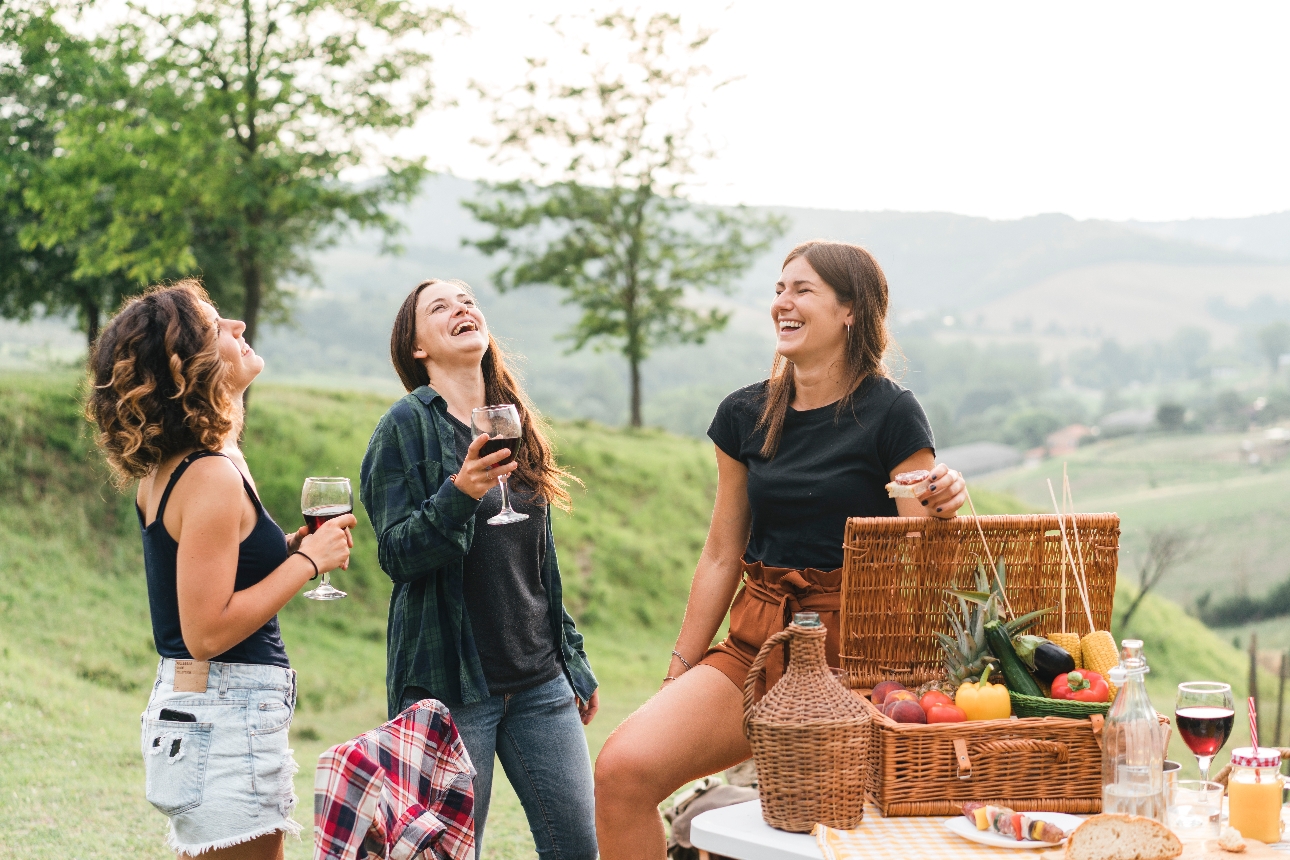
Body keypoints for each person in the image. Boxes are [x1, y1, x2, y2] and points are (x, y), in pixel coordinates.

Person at [593, 240, 968, 859]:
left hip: (862, 662)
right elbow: (721, 553)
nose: (783, 304)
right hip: (759, 646)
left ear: (850, 311)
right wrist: (679, 671)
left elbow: (925, 549)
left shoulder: (892, 413)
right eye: (778, 289)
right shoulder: (743, 414)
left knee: (845, 828)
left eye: (803, 290)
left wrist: (946, 497)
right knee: (622, 770)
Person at [85, 280, 356, 859]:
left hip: (211, 711)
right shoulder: (208, 473)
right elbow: (205, 632)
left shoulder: (188, 464)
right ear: (190, 368)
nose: (236, 324)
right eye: (215, 327)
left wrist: (284, 548)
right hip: (225, 716)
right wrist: (309, 562)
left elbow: (218, 572)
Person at [359, 278, 599, 860]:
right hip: (452, 687)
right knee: (448, 855)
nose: (461, 308)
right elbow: (396, 554)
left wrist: (572, 657)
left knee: (577, 849)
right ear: (417, 348)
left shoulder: (510, 419)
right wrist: (460, 493)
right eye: (439, 307)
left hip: (540, 683)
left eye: (467, 299)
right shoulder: (406, 426)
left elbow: (537, 560)